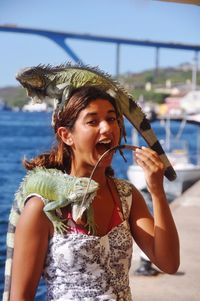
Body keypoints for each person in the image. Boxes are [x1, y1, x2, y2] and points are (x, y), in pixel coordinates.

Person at [4, 65, 179, 301]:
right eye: (93, 122)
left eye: (112, 119)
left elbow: (168, 263)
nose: (107, 128)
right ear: (67, 135)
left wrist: (157, 191)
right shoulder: (42, 207)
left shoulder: (127, 196)